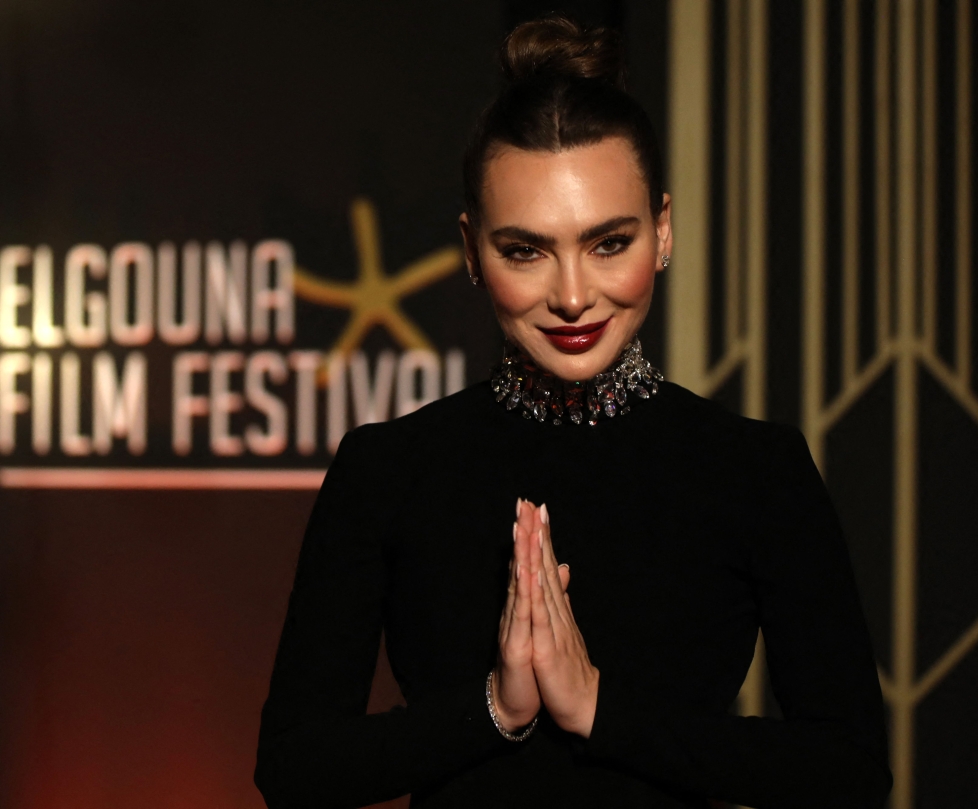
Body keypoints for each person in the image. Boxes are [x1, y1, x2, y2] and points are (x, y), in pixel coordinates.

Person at [254, 17, 891, 809]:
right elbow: (294, 767)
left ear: (662, 232)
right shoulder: (388, 470)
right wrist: (497, 706)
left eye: (608, 242)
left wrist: (599, 709)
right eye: (526, 249)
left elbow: (850, 768)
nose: (572, 294)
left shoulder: (755, 470)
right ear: (471, 249)